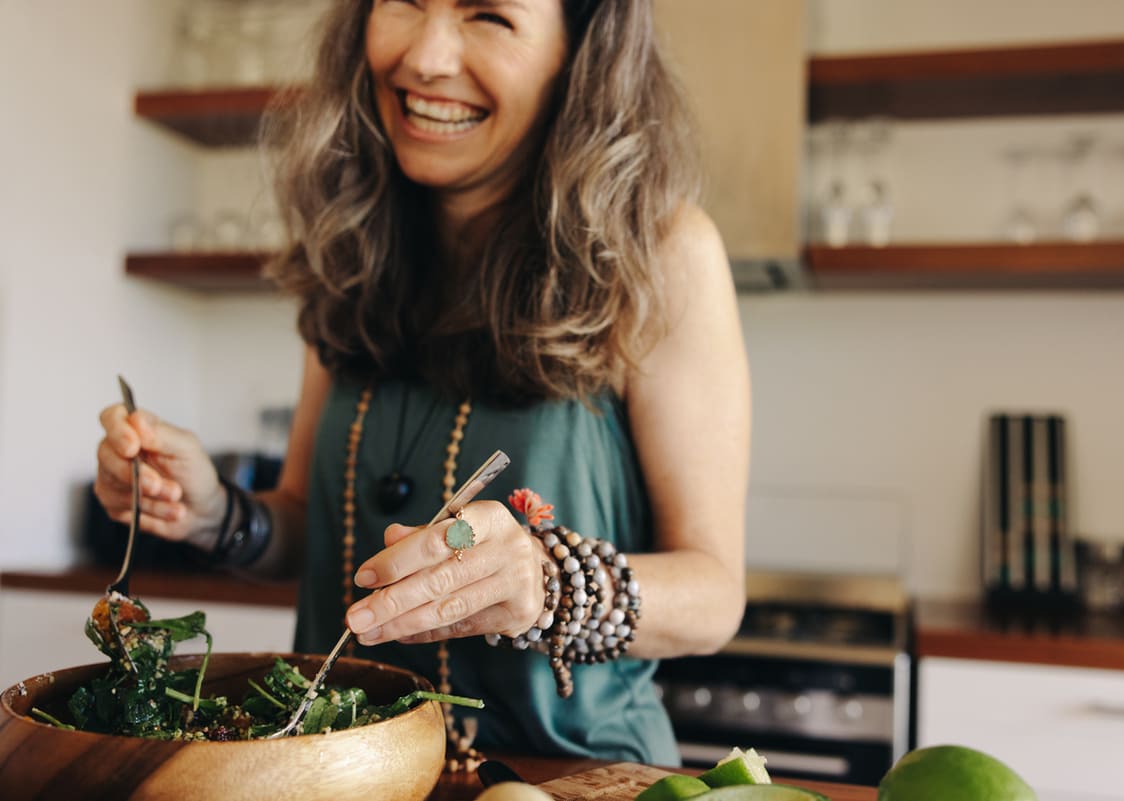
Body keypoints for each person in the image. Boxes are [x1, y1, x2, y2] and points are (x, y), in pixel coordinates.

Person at [94, 0, 749, 767]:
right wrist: (218, 514)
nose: (428, 57)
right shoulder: (347, 242)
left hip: (569, 776)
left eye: (490, 16)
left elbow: (714, 596)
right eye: (404, 0)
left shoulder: (663, 251)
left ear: (577, 55)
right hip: (337, 771)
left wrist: (543, 584)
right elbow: (314, 526)